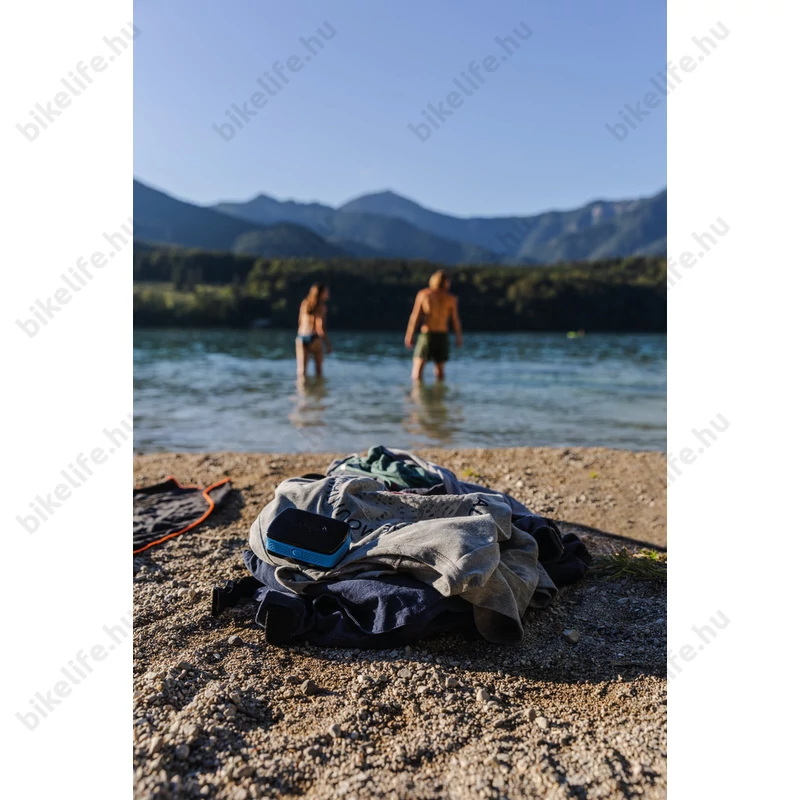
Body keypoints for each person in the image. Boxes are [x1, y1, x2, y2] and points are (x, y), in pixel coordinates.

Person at [405, 270, 463, 382]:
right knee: (435, 372)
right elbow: (455, 320)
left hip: (432, 334)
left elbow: (415, 316)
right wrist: (458, 336)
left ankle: (423, 396)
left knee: (423, 372)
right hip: (433, 334)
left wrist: (409, 334)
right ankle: (436, 397)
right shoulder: (432, 296)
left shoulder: (442, 297)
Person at [296, 283, 333, 378]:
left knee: (302, 371)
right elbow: (320, 328)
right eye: (326, 292)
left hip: (301, 336)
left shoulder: (305, 303)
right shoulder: (321, 307)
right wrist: (327, 344)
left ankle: (301, 391)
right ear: (321, 293)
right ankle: (317, 391)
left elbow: (300, 322)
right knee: (318, 371)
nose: (328, 293)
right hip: (314, 337)